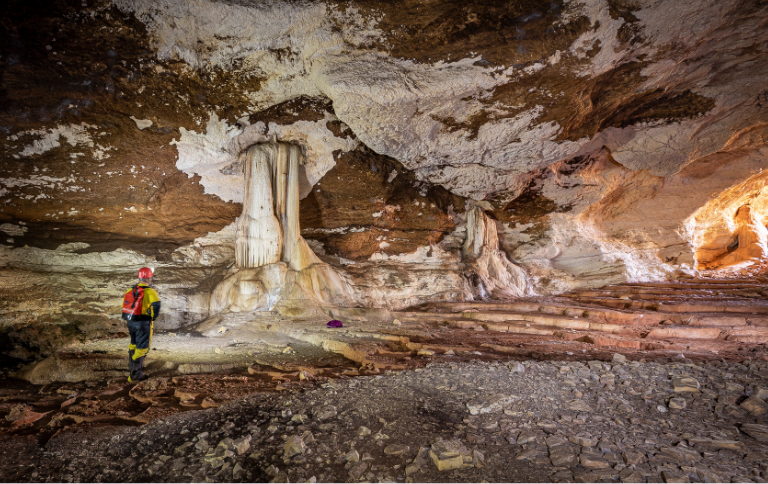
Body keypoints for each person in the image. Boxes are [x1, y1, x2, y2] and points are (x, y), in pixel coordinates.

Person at [121, 267, 161, 382]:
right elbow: (156, 307)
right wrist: (152, 317)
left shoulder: (130, 291)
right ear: (149, 278)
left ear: (139, 277)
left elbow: (124, 307)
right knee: (142, 348)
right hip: (143, 323)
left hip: (131, 322)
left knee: (133, 345)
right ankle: (135, 376)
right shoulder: (151, 292)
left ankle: (132, 371)